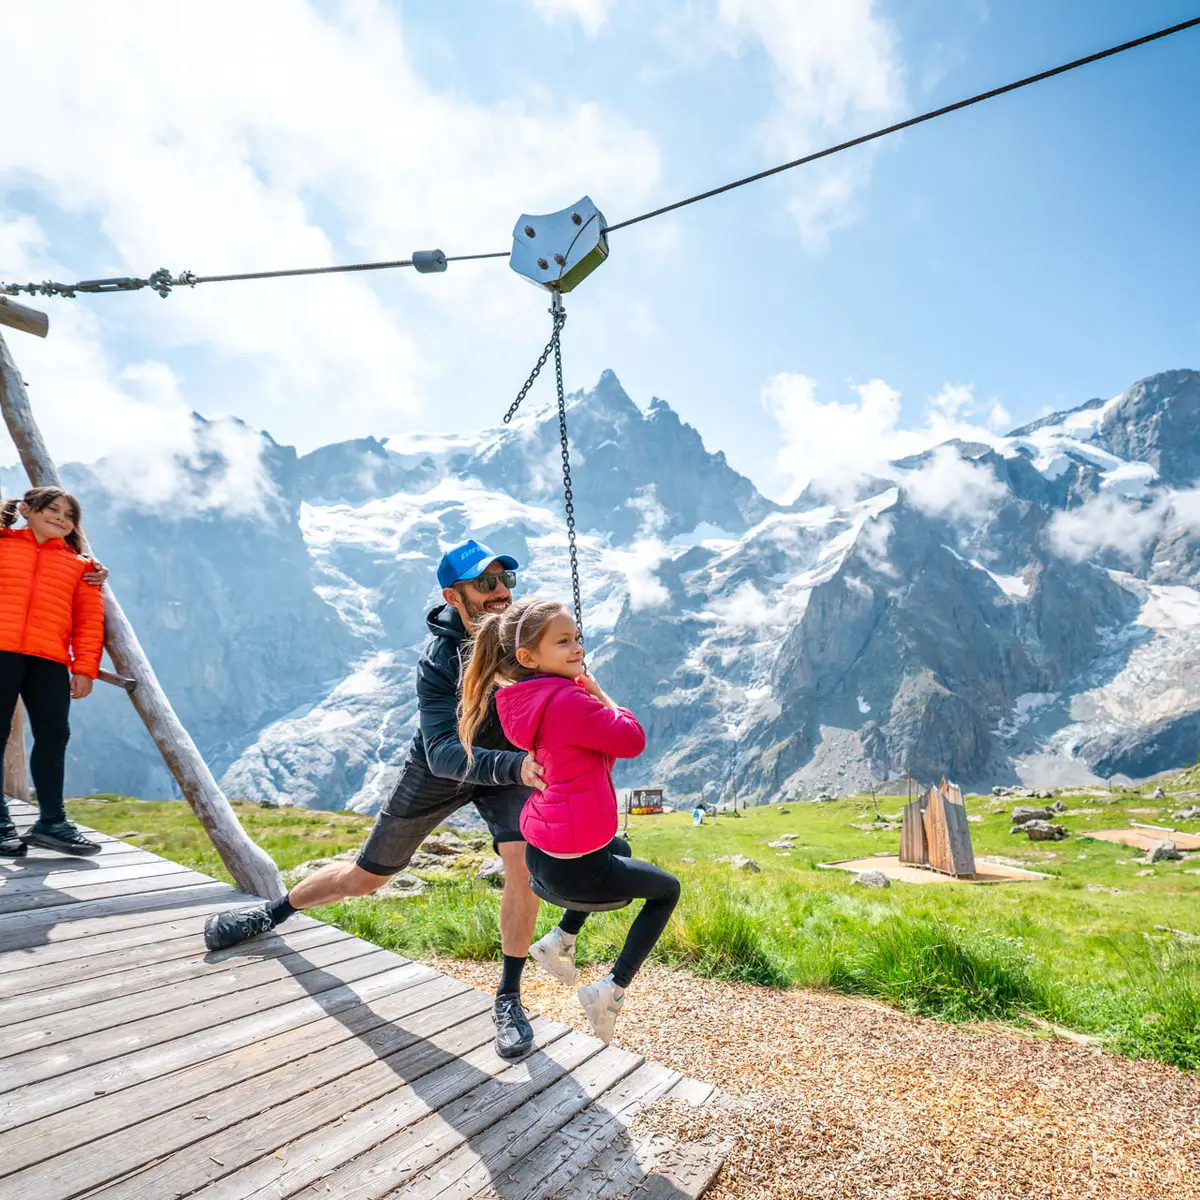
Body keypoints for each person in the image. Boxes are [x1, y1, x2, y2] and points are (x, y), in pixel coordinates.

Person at [203, 539, 548, 1059]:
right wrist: (516, 764)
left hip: (509, 767)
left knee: (522, 864)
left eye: (506, 581)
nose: (501, 592)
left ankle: (508, 998)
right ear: (454, 597)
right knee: (366, 879)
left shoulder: (527, 638)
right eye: (486, 584)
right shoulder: (438, 662)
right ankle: (272, 913)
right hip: (444, 770)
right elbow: (442, 756)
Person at [460, 597, 680, 1045]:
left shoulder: (524, 700)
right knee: (666, 891)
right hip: (575, 870)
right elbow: (631, 739)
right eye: (563, 641)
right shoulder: (568, 701)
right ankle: (611, 991)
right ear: (528, 657)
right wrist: (598, 692)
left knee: (620, 848)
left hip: (540, 854)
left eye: (577, 637)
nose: (577, 647)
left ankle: (560, 939)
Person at [0, 487, 107, 857]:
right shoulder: (3, 544)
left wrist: (86, 669)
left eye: (69, 515)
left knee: (54, 734)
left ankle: (52, 823)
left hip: (49, 659)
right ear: (26, 510)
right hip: (1, 649)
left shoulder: (82, 567)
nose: (62, 518)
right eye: (53, 509)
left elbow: (90, 623)